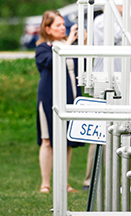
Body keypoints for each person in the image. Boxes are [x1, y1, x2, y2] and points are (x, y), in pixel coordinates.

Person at [36, 10, 84, 194]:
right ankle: (45, 183)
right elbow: (50, 62)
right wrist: (69, 43)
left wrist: (83, 43)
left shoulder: (70, 45)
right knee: (47, 140)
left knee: (67, 141)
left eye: (63, 24)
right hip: (49, 98)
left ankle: (63, 183)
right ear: (48, 29)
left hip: (70, 97)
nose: (63, 28)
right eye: (58, 25)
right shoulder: (43, 47)